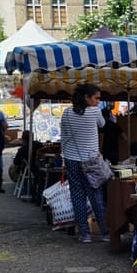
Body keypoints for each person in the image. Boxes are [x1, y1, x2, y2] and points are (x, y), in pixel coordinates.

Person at [61, 84, 109, 243]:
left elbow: (64, 135)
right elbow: (102, 125)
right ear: (86, 98)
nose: (98, 101)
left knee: (77, 196)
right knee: (95, 195)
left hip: (71, 159)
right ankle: (104, 232)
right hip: (91, 161)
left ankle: (85, 234)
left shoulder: (67, 113)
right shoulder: (95, 112)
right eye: (96, 98)